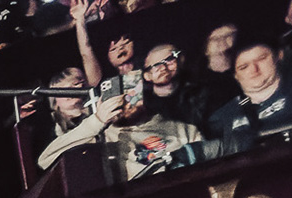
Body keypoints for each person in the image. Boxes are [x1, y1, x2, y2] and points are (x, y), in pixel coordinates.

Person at [38, 73, 203, 176]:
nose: (123, 98)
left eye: (129, 91)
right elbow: (45, 161)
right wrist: (97, 121)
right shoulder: (102, 138)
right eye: (116, 93)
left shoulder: (184, 130)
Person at [206, 33, 292, 141]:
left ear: (278, 56)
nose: (254, 69)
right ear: (235, 75)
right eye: (244, 67)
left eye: (261, 59)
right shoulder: (223, 117)